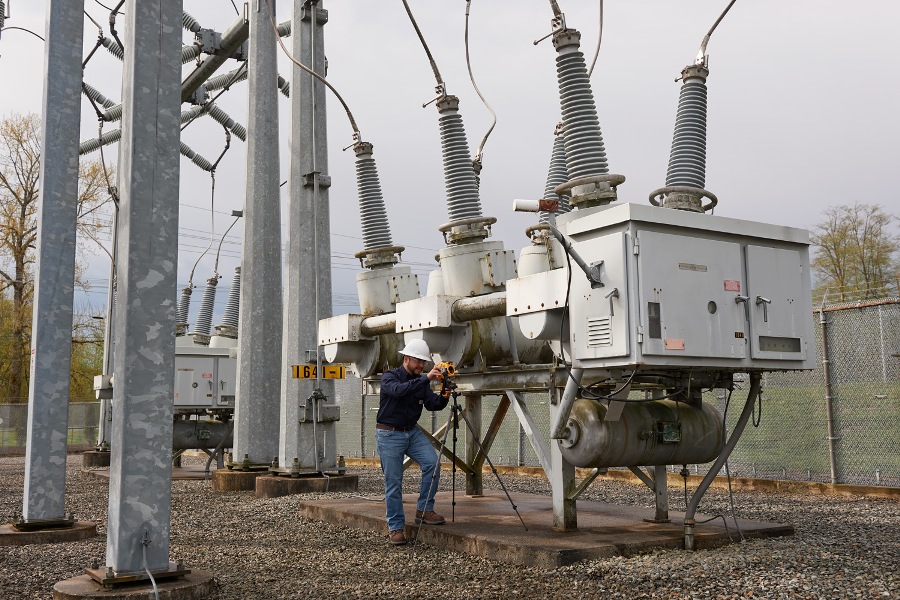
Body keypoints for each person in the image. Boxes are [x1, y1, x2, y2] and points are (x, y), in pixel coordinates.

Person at [376, 338, 449, 546]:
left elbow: (433, 405)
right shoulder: (390, 377)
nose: (421, 366)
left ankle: (424, 509)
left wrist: (444, 394)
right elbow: (400, 391)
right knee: (394, 482)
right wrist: (426, 378)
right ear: (406, 358)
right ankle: (396, 528)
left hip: (411, 432)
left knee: (432, 463)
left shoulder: (420, 379)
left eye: (424, 363)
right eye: (418, 361)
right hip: (389, 433)